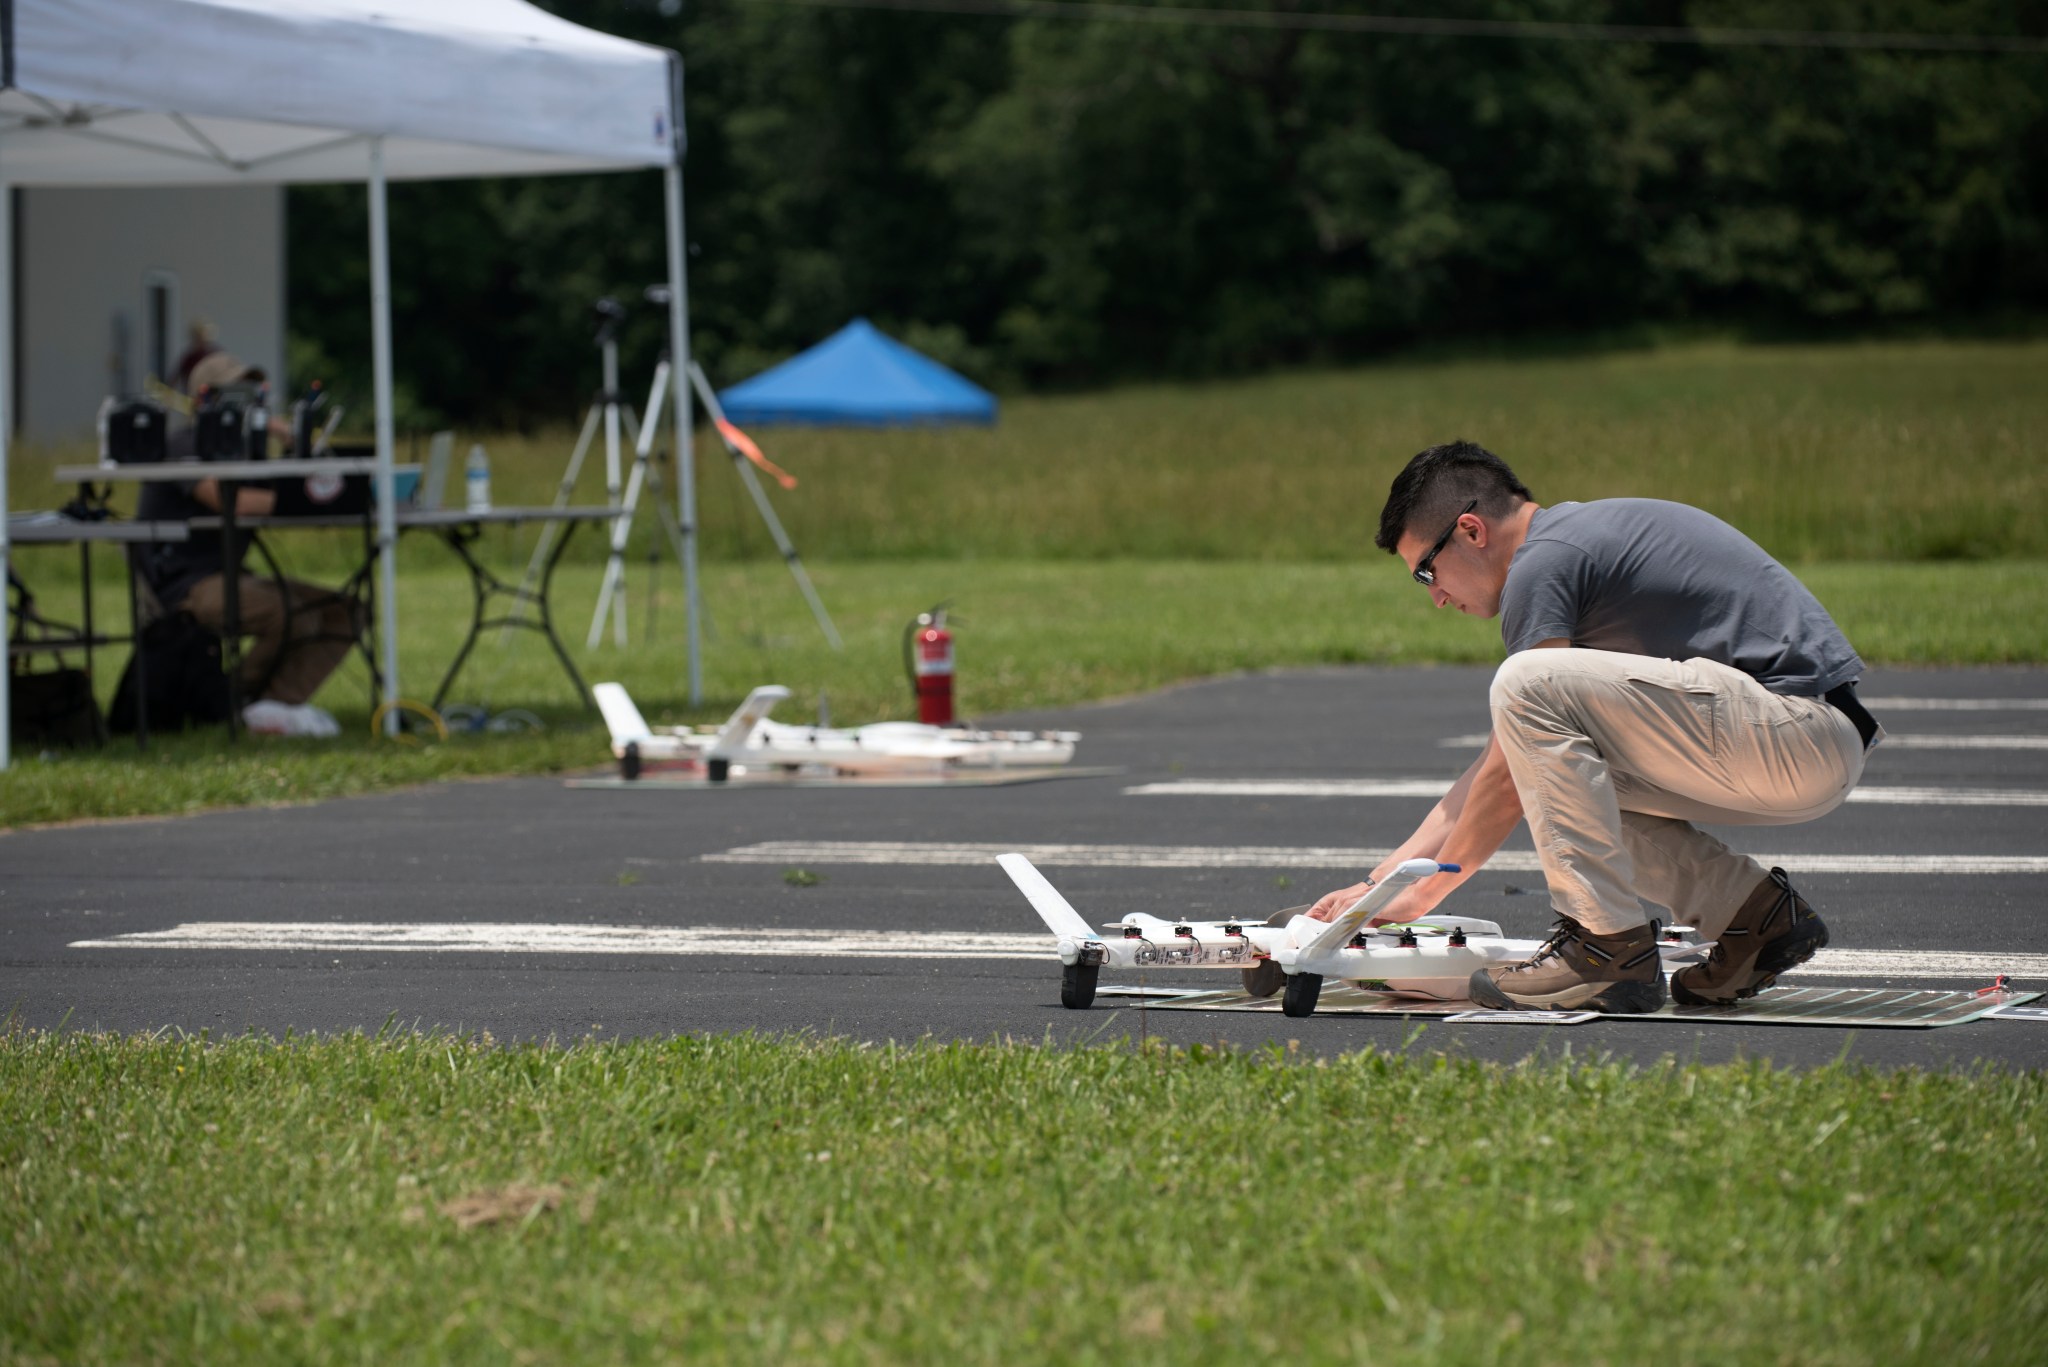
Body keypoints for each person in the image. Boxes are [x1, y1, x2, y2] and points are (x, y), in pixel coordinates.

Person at [1308, 440, 1880, 1013]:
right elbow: (1508, 765)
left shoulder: (1543, 562)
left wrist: (1425, 894)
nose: (1434, 596)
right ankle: (1755, 917)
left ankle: (1605, 948)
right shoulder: (1568, 543)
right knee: (1558, 776)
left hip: (1794, 727)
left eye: (1426, 571)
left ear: (1471, 530)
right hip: (1804, 740)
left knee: (1523, 686)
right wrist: (1378, 884)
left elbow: (1506, 769)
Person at [135, 350, 360, 738]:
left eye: (253, 394)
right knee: (289, 613)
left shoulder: (245, 449)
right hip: (186, 584)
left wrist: (295, 444)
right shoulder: (184, 444)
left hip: (231, 576)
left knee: (347, 610)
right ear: (205, 398)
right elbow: (230, 502)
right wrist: (303, 499)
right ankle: (228, 702)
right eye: (235, 395)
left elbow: (280, 491)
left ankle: (274, 707)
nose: (248, 404)